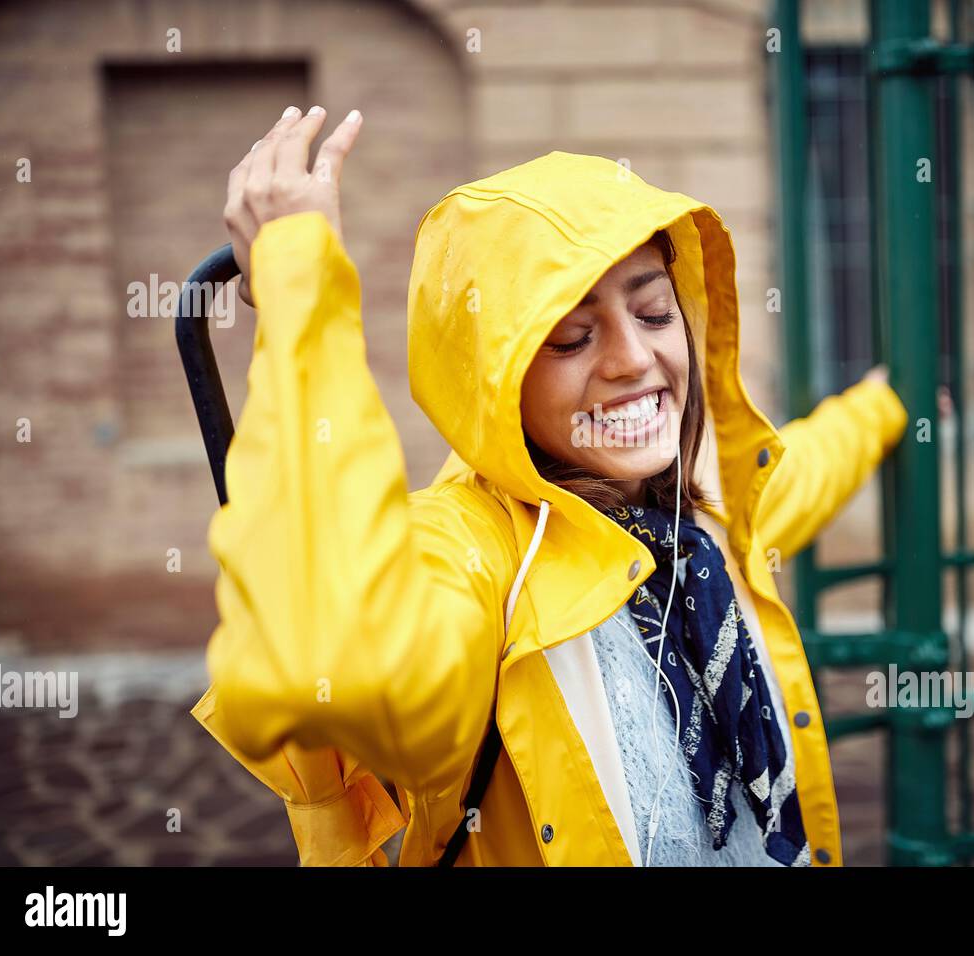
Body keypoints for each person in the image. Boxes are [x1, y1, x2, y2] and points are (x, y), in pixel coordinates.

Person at [190, 104, 909, 867]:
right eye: (570, 336)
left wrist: (890, 402)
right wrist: (302, 282)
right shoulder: (475, 549)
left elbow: (801, 469)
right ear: (491, 381)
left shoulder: (702, 503)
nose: (634, 358)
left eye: (654, 311)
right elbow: (349, 658)